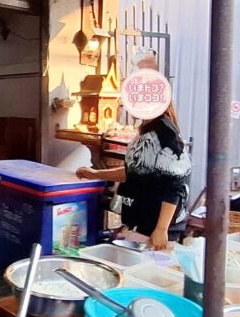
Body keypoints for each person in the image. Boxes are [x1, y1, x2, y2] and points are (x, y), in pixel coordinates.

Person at [75, 103, 190, 250]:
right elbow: (134, 172)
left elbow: (174, 184)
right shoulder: (149, 129)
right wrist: (96, 174)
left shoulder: (163, 132)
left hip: (155, 226)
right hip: (143, 222)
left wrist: (161, 229)